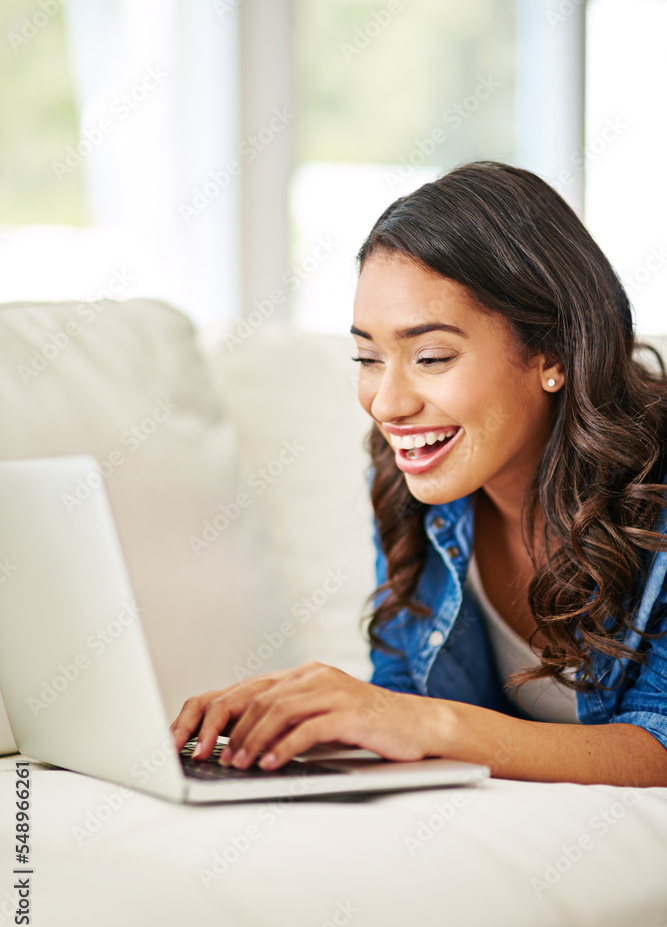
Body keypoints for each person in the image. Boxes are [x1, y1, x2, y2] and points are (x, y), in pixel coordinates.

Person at [171, 161, 667, 787]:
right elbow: (404, 689)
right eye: (369, 358)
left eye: (431, 357)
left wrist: (427, 723)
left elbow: (660, 744)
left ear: (554, 354)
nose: (387, 404)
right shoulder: (420, 484)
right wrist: (312, 718)